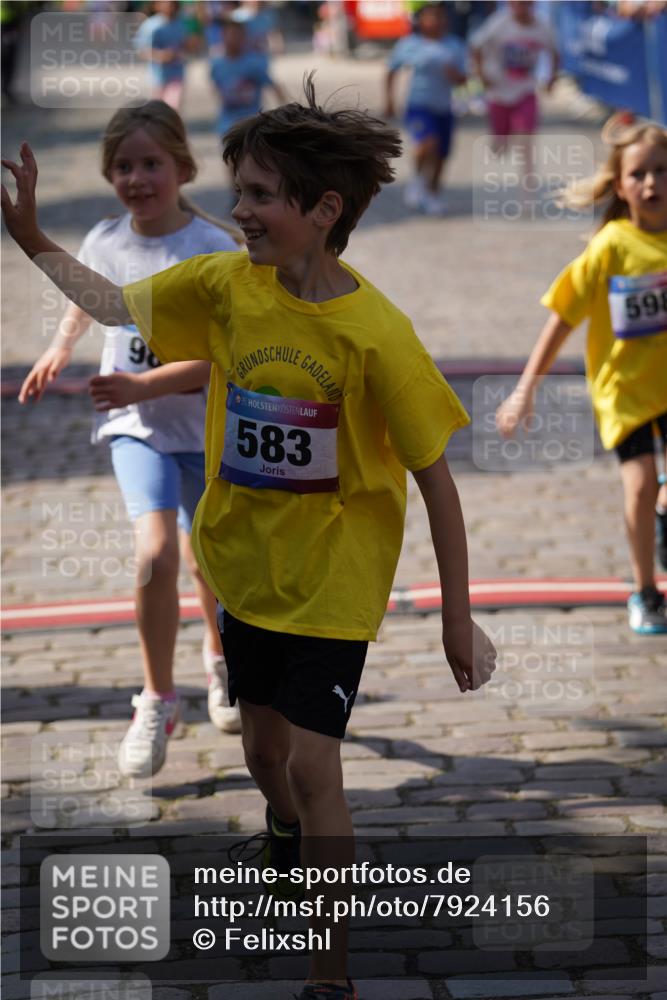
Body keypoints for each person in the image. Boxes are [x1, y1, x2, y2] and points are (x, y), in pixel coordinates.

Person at [2, 76, 496, 999]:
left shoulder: (377, 333)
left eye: (261, 196)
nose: (241, 213)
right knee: (266, 759)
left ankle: (329, 977)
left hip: (335, 585)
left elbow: (435, 477)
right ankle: (284, 830)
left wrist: (455, 620)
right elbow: (114, 307)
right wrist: (29, 236)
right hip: (241, 566)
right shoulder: (227, 285)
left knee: (315, 769)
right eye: (240, 193)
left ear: (322, 209)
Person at [16, 100, 244, 778]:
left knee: (210, 563)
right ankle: (156, 698)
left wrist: (146, 385)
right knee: (154, 557)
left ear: (181, 166)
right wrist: (60, 346)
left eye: (150, 163)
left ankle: (220, 659)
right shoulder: (105, 238)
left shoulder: (212, 248)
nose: (137, 178)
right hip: (135, 429)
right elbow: (88, 298)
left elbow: (227, 357)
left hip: (203, 428)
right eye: (122, 166)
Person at [496, 113, 667, 635]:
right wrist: (525, 392)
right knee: (637, 486)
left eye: (663, 170)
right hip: (625, 392)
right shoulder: (610, 246)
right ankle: (644, 591)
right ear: (619, 185)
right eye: (639, 174)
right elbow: (562, 320)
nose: (652, 183)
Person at [385, 2, 467, 215]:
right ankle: (417, 180)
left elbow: (464, 79)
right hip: (418, 105)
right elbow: (391, 70)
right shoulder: (410, 44)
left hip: (444, 107)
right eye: (432, 16)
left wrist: (455, 76)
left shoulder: (454, 45)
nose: (438, 21)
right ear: (421, 21)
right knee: (427, 143)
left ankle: (433, 193)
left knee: (442, 155)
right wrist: (390, 101)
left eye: (441, 16)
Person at [470, 0, 558, 155]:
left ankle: (528, 177)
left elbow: (554, 52)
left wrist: (552, 78)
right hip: (498, 91)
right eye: (518, 3)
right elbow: (476, 47)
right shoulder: (498, 23)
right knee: (500, 145)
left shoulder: (542, 27)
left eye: (526, 3)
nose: (522, 8)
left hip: (525, 90)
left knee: (526, 138)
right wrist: (481, 75)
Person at [209, 13, 286, 144]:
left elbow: (272, 85)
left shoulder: (253, 63)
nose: (233, 39)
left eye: (238, 35)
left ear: (244, 38)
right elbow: (215, 86)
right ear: (222, 37)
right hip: (227, 124)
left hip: (252, 123)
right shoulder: (217, 64)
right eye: (230, 35)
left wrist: (284, 113)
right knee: (231, 160)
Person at [134, 0, 200, 110]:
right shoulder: (150, 26)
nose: (169, 6)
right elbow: (141, 50)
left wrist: (192, 43)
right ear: (156, 5)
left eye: (172, 3)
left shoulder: (182, 24)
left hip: (177, 73)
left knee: (173, 106)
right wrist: (160, 56)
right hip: (158, 76)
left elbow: (189, 46)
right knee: (158, 110)